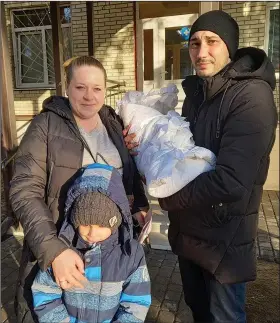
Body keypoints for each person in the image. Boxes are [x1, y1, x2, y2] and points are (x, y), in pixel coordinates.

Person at [156, 10, 278, 323]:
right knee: (198, 310)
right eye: (194, 43)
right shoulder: (196, 93)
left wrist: (170, 198)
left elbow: (232, 181)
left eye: (212, 41)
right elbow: (181, 154)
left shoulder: (252, 97)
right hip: (190, 231)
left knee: (223, 316)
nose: (201, 51)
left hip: (224, 237)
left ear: (230, 48)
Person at [9, 56, 149, 323]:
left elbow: (125, 177)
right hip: (63, 249)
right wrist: (53, 251)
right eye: (80, 87)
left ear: (105, 90)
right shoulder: (45, 126)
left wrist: (139, 206)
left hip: (111, 254)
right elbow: (24, 190)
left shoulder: (113, 123)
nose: (89, 96)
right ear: (67, 87)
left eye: (97, 88)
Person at [31, 163, 151, 323]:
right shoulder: (63, 250)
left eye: (101, 225)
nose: (92, 233)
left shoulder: (130, 253)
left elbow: (136, 301)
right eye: (85, 224)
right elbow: (44, 291)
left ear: (115, 221)